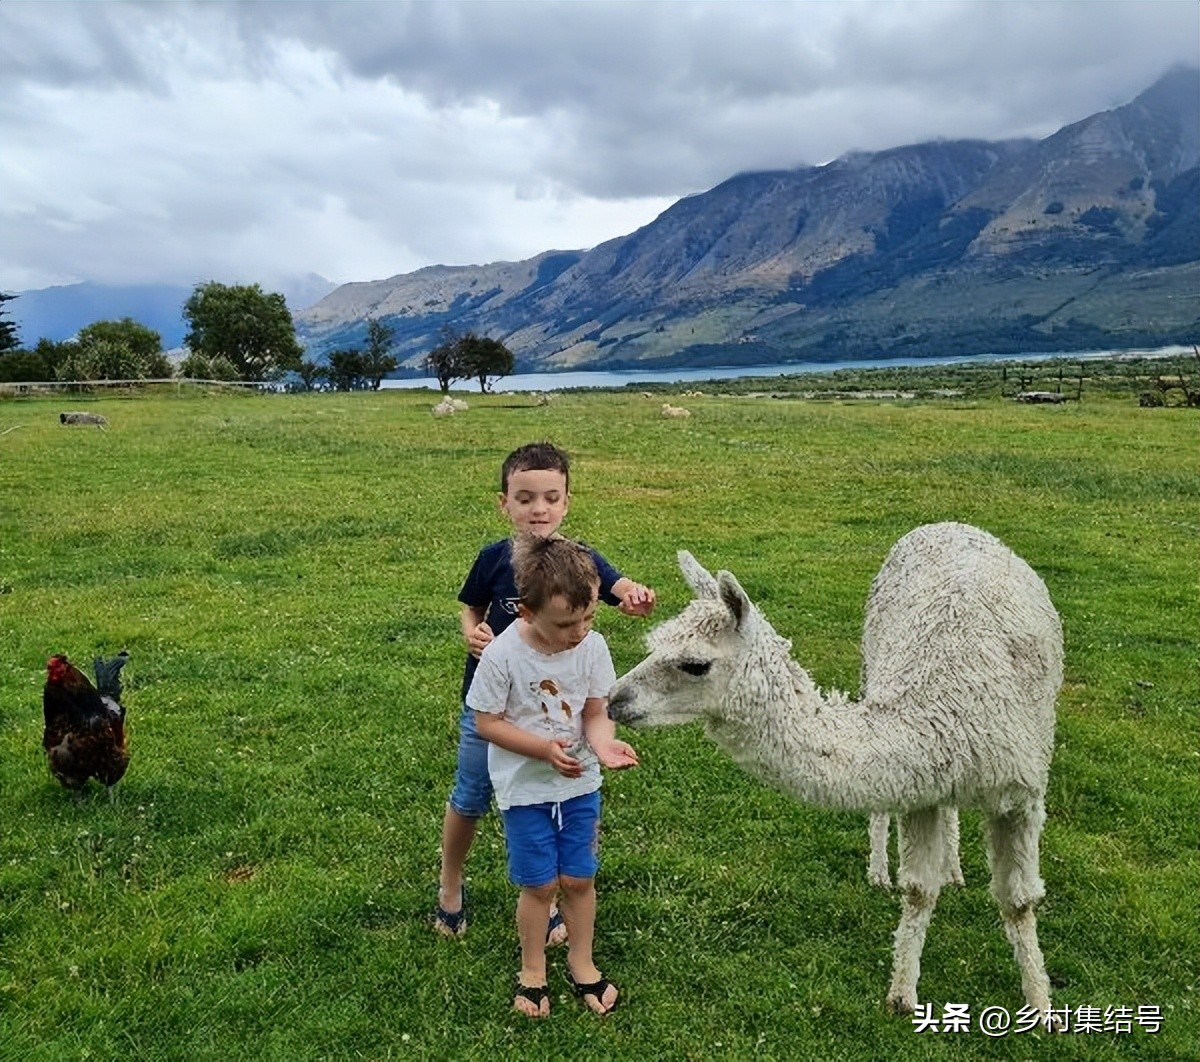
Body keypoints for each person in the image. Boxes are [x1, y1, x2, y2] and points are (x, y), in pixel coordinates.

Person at [436, 441, 654, 945]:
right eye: (526, 498)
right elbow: (470, 607)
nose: (539, 509)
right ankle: (451, 882)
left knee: (550, 798)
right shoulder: (494, 559)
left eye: (551, 498)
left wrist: (635, 597)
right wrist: (471, 631)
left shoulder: (579, 560)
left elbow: (619, 587)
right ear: (504, 503)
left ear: (567, 502)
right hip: (490, 705)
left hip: (555, 710)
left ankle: (547, 900)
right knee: (470, 795)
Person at [469, 533, 637, 1017]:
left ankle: (582, 963)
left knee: (579, 878)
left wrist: (601, 743)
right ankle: (533, 971)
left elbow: (595, 708)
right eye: (567, 623)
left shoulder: (592, 646)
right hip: (525, 791)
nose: (580, 631)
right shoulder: (503, 654)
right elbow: (486, 721)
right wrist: (543, 750)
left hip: (580, 785)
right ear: (525, 611)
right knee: (540, 886)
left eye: (588, 618)